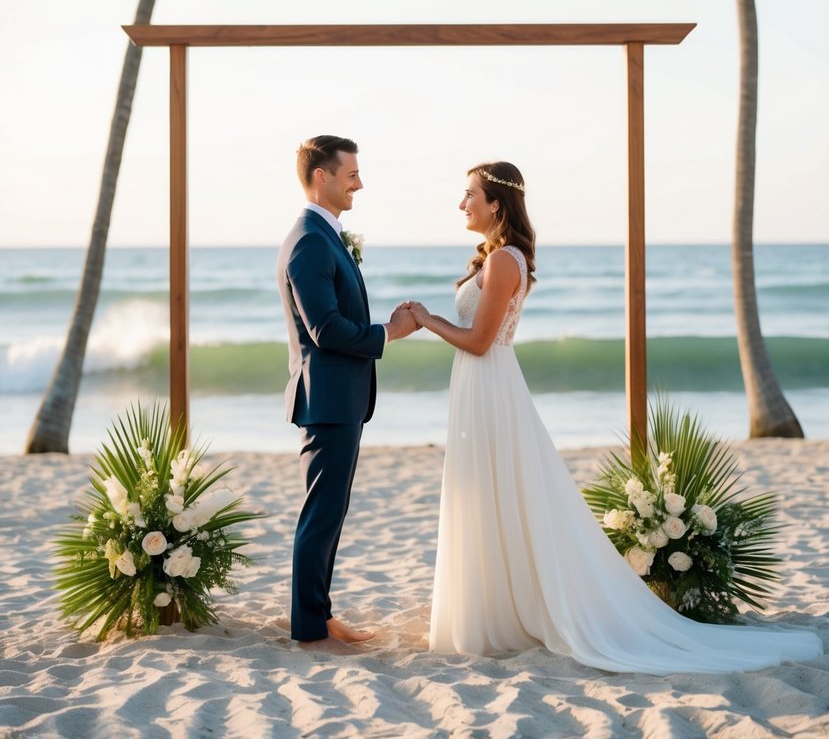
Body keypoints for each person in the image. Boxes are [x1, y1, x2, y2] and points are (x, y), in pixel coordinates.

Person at [403, 162, 823, 673]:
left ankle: (501, 615)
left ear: (496, 203)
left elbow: (480, 340)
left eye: (469, 194)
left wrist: (426, 319)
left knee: (496, 491)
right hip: (481, 386)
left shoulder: (503, 262)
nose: (461, 203)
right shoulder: (498, 258)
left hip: (489, 384)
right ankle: (491, 609)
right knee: (486, 493)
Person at [277, 135, 418, 649]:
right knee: (321, 514)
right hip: (328, 399)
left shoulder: (325, 234)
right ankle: (311, 627)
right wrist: (389, 333)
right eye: (351, 173)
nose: (359, 182)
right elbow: (326, 330)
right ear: (322, 176)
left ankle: (319, 614)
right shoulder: (310, 239)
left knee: (329, 512)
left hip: (340, 399)